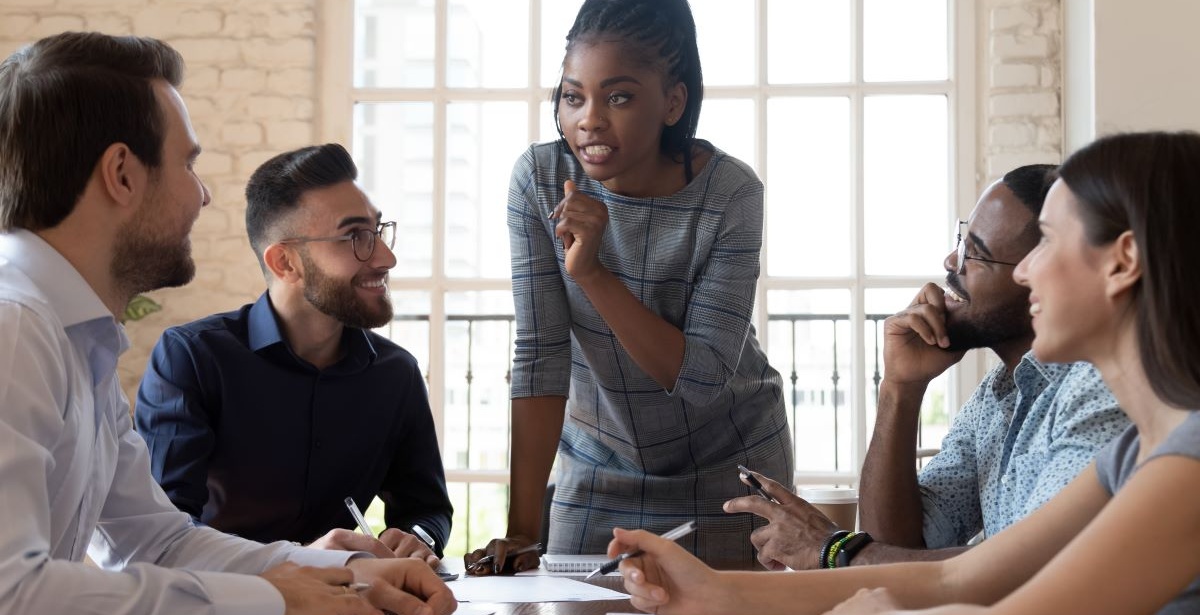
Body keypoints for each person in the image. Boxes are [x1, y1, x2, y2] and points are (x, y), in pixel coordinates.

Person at [610, 130, 1200, 615]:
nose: (1026, 273)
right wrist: (712, 589)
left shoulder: (1189, 465)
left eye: (1045, 241)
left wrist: (866, 602)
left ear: (1122, 261)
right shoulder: (1131, 457)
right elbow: (959, 579)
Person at [0, 32, 453, 615]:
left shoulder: (76, 338)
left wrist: (348, 567)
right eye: (187, 163)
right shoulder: (15, 330)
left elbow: (155, 540)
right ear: (122, 174)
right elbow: (11, 592)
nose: (203, 194)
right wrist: (272, 598)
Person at [465, 0, 793, 572]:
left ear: (672, 102)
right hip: (597, 465)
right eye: (573, 96)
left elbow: (699, 377)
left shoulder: (731, 193)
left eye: (618, 96)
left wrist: (592, 274)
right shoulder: (540, 181)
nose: (589, 118)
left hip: (729, 467)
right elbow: (540, 354)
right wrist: (522, 530)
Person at [726, 166, 1128, 570]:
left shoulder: (1102, 390)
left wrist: (834, 548)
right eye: (961, 241)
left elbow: (1034, 571)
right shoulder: (999, 392)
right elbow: (900, 547)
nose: (952, 261)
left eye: (977, 253)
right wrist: (900, 388)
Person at [135, 143, 453, 565]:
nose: (386, 257)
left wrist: (417, 538)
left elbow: (427, 509)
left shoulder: (396, 373)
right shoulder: (193, 359)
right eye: (355, 236)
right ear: (285, 262)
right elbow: (165, 529)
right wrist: (297, 559)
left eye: (378, 231)